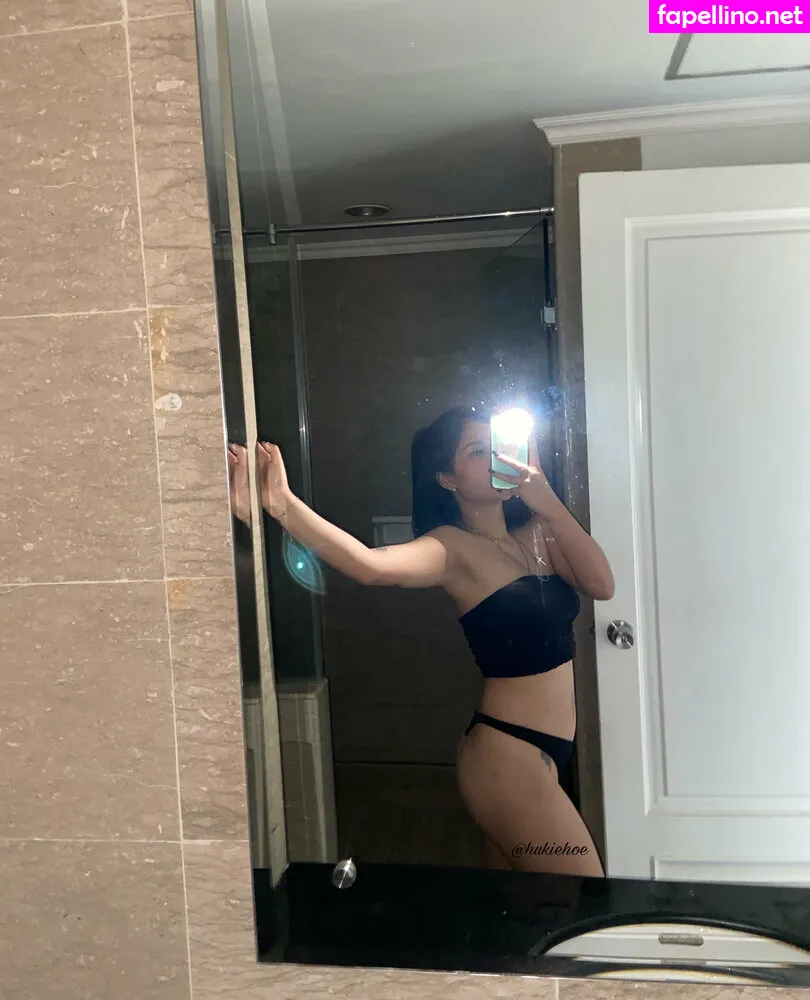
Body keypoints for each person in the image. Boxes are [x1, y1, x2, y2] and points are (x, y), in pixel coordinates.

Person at [229, 405, 614, 876]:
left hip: (550, 750)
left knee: (521, 907)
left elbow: (601, 585)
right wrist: (282, 503)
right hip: (507, 757)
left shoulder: (538, 533)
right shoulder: (451, 547)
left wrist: (546, 498)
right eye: (477, 451)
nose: (495, 459)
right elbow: (370, 566)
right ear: (447, 478)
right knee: (583, 891)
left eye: (497, 447)